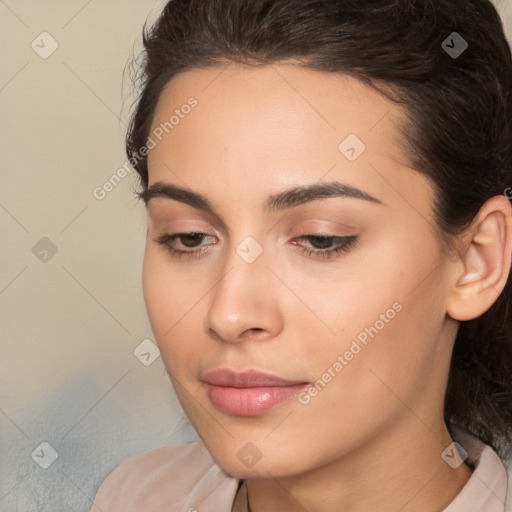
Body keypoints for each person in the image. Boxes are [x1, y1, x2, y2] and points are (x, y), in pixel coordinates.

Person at [90, 0, 512, 510]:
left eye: (320, 239)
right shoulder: (138, 496)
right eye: (189, 237)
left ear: (476, 260)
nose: (229, 315)